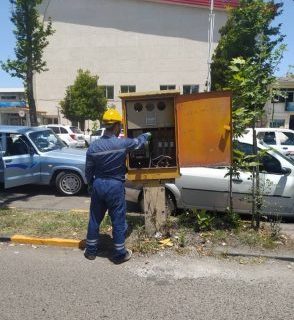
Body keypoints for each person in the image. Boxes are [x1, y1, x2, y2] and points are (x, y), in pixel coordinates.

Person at [84, 107, 151, 264]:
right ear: (115, 126)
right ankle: (120, 253)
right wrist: (147, 135)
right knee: (118, 220)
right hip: (115, 186)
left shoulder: (93, 147)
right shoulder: (122, 144)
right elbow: (138, 143)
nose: (120, 128)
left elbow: (88, 170)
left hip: (98, 184)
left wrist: (90, 184)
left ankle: (91, 251)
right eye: (119, 125)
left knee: (94, 219)